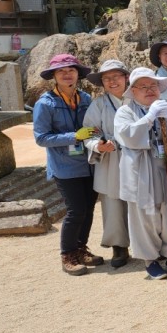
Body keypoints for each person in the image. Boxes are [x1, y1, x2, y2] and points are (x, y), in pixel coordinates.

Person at [115, 68, 167, 280]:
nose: (150, 90)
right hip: (142, 170)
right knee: (145, 216)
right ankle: (150, 258)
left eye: (153, 85)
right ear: (133, 91)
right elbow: (127, 136)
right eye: (143, 86)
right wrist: (149, 118)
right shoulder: (125, 111)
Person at [34, 54, 99, 275]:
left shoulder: (86, 99)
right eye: (61, 71)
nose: (67, 74)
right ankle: (68, 254)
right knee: (76, 210)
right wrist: (75, 136)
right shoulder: (46, 103)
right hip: (64, 165)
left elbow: (93, 125)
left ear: (78, 74)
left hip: (89, 163)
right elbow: (41, 138)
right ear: (54, 75)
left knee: (88, 209)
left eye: (71, 70)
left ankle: (81, 248)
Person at [83, 60, 131, 269]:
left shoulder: (137, 98)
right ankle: (118, 246)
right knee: (112, 203)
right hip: (111, 157)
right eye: (107, 78)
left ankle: (148, 245)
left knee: (143, 201)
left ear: (126, 78)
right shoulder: (99, 104)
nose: (112, 81)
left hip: (138, 157)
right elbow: (88, 132)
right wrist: (98, 145)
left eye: (116, 76)